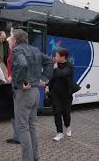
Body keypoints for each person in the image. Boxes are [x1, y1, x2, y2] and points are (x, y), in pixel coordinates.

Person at [11, 29, 53, 161]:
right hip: (35, 92)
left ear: (16, 40)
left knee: (23, 127)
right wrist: (44, 78)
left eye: (11, 38)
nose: (11, 41)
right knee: (32, 126)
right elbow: (50, 61)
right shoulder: (35, 49)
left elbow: (22, 64)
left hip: (24, 93)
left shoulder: (17, 50)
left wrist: (21, 81)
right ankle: (35, 157)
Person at [49, 49, 75, 141]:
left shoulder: (70, 66)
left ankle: (67, 126)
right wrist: (47, 85)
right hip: (55, 94)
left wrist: (55, 66)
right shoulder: (55, 65)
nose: (55, 57)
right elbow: (51, 77)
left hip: (66, 95)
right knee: (57, 113)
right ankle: (59, 133)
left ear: (63, 57)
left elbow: (61, 73)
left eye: (57, 56)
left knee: (66, 114)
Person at [5, 36, 20, 145]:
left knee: (15, 112)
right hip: (13, 83)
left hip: (14, 84)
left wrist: (11, 77)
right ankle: (16, 136)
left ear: (14, 42)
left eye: (9, 42)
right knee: (13, 112)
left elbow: (20, 67)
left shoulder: (16, 52)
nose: (8, 44)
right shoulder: (13, 51)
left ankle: (18, 137)